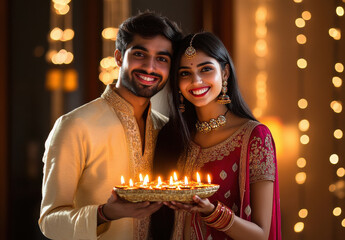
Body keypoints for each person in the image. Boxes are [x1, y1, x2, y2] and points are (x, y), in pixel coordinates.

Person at [38, 11, 182, 240]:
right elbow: (50, 222)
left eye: (162, 59)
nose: (150, 67)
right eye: (139, 54)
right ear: (118, 57)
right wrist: (104, 214)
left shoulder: (166, 130)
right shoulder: (75, 125)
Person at [153, 32, 281, 240]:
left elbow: (261, 235)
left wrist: (211, 211)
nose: (196, 81)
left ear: (225, 72)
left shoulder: (255, 137)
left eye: (206, 69)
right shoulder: (174, 136)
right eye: (185, 73)